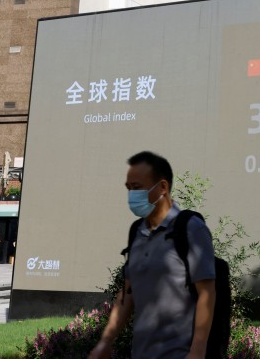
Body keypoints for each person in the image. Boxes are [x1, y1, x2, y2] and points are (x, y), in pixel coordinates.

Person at [89, 151, 215, 359]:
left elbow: (207, 294)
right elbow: (127, 295)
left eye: (137, 187)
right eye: (128, 188)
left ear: (163, 187)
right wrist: (106, 341)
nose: (131, 195)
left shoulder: (190, 229)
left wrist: (197, 352)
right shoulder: (137, 232)